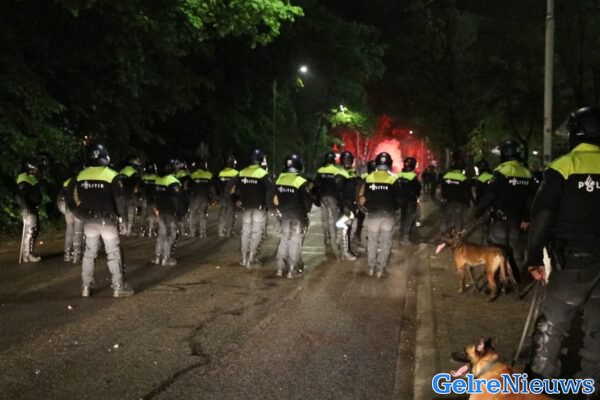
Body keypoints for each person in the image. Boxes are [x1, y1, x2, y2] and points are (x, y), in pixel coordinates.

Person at [527, 106, 600, 395]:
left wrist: (534, 257)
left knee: (553, 324)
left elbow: (542, 216)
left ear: (577, 133)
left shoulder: (563, 167)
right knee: (597, 327)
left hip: (573, 262)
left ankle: (539, 385)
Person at [65, 144, 134, 297]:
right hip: (107, 221)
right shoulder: (111, 175)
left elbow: (69, 197)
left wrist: (79, 213)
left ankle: (85, 287)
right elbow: (120, 200)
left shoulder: (80, 175)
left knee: (89, 253)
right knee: (113, 253)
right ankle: (118, 287)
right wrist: (123, 219)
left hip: (88, 221)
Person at [475, 139, 533, 274]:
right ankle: (516, 279)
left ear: (505, 153)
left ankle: (499, 280)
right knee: (515, 252)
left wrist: (478, 213)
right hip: (518, 222)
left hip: (500, 220)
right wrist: (527, 218)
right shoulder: (526, 173)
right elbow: (531, 199)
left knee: (497, 251)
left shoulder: (501, 171)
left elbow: (490, 195)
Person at [357, 152, 403, 278]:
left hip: (373, 215)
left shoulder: (369, 178)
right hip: (388, 216)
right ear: (389, 164)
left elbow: (365, 196)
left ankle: (371, 267)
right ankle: (380, 269)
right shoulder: (394, 179)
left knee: (372, 242)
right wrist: (395, 208)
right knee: (385, 243)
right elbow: (400, 199)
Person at [232, 149, 274, 268]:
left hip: (245, 207)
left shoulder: (242, 172)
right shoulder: (262, 173)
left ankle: (243, 258)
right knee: (256, 232)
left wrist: (236, 201)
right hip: (259, 208)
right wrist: (269, 205)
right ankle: (251, 259)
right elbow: (271, 190)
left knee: (245, 232)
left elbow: (234, 189)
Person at [273, 154, 313, 278]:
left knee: (284, 240)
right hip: (297, 216)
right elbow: (307, 204)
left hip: (283, 216)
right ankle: (292, 269)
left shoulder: (279, 179)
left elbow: (275, 198)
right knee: (295, 241)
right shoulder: (300, 181)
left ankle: (280, 269)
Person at [313, 152, 348, 258]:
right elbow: (341, 185)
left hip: (323, 198)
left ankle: (327, 236)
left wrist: (317, 197)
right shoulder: (337, 170)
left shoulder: (320, 170)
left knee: (325, 219)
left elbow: (316, 185)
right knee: (335, 218)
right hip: (333, 197)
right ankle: (337, 238)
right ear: (333, 160)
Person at [152, 159, 185, 266]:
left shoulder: (158, 180)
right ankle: (166, 258)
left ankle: (157, 257)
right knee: (170, 235)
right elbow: (177, 199)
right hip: (171, 212)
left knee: (161, 234)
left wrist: (156, 209)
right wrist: (180, 213)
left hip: (160, 211)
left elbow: (154, 196)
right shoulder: (173, 181)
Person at [15, 158, 43, 263]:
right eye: (35, 168)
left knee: (35, 229)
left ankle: (29, 252)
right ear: (30, 168)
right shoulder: (23, 179)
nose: (37, 170)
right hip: (27, 208)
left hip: (33, 207)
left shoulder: (31, 178)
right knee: (30, 230)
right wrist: (26, 208)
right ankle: (27, 255)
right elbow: (20, 196)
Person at [57, 169, 83, 263]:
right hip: (77, 209)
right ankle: (76, 255)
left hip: (67, 209)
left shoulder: (66, 182)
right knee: (77, 232)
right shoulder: (80, 180)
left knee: (69, 231)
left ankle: (67, 255)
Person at [338, 150, 359, 260]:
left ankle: (346, 250)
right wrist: (344, 206)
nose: (347, 162)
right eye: (345, 160)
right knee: (345, 228)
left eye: (349, 160)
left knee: (351, 228)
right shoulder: (340, 174)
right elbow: (339, 193)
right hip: (345, 205)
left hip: (352, 205)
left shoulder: (353, 172)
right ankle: (345, 252)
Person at [438, 159, 470, 232]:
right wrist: (467, 202)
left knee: (446, 218)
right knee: (458, 219)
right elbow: (466, 191)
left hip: (446, 201)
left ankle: (444, 234)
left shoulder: (446, 176)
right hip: (459, 201)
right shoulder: (463, 178)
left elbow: (442, 188)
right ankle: (457, 235)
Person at [188, 158, 216, 238]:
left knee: (193, 215)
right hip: (204, 198)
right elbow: (212, 189)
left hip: (194, 198)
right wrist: (213, 199)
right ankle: (202, 233)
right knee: (203, 216)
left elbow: (188, 187)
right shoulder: (209, 175)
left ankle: (192, 233)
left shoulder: (192, 175)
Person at [397, 157, 421, 244]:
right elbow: (418, 188)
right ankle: (405, 238)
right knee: (409, 218)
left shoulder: (399, 175)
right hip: (410, 201)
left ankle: (401, 236)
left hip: (401, 200)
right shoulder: (412, 176)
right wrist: (417, 195)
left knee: (403, 218)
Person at [118, 155, 143, 236]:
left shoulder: (120, 172)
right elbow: (138, 186)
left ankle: (123, 229)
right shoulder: (135, 173)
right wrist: (139, 195)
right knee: (131, 213)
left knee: (123, 213)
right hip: (131, 195)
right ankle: (130, 229)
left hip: (121, 196)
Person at [216, 155, 239, 238]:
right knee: (231, 215)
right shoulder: (236, 173)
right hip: (231, 197)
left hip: (223, 196)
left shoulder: (220, 173)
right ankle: (229, 232)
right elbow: (238, 186)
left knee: (222, 213)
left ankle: (220, 231)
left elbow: (217, 185)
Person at [139, 162, 158, 237]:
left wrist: (140, 196)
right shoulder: (156, 177)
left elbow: (139, 187)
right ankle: (152, 230)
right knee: (153, 214)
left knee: (143, 214)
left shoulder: (143, 177)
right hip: (153, 198)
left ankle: (142, 230)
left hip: (145, 198)